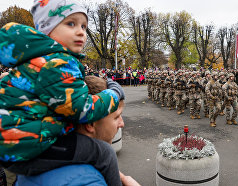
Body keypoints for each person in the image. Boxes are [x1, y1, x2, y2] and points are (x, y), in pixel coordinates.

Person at [0, 1, 122, 185]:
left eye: (83, 26)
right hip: (25, 144)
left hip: (17, 143)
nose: (81, 31)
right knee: (104, 154)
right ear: (47, 29)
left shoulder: (43, 59)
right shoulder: (57, 62)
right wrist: (114, 93)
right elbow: (83, 109)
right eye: (71, 24)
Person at [15, 76, 139, 185]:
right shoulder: (87, 180)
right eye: (116, 117)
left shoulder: (39, 156)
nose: (122, 124)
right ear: (90, 123)